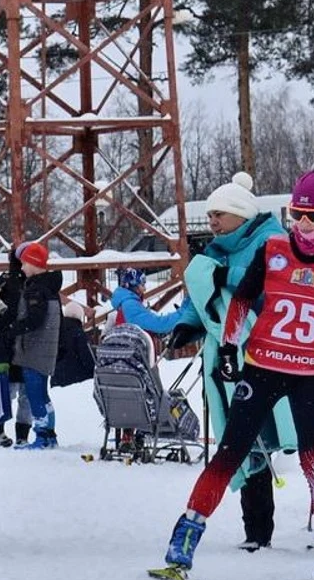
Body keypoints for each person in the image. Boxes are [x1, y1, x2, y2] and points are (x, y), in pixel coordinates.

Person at [160, 167, 314, 580]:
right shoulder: (274, 249)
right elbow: (241, 300)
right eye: (297, 214)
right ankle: (185, 536)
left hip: (313, 372)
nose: (303, 224)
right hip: (263, 366)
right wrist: (227, 346)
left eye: (313, 216)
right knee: (230, 452)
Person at [115, 178, 293, 550]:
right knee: (242, 443)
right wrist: (186, 326)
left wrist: (228, 290)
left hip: (274, 355)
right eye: (209, 214)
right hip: (227, 361)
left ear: (240, 213)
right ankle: (257, 532)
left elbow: (272, 291)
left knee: (307, 437)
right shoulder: (214, 252)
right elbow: (202, 301)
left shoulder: (271, 242)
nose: (211, 221)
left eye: (219, 214)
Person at [9, 242, 64, 449]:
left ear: (32, 263)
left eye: (24, 263)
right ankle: (49, 434)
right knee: (42, 393)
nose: (21, 268)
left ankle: (42, 435)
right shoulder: (50, 287)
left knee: (34, 394)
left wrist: (13, 328)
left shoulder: (36, 289)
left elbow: (34, 320)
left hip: (34, 350)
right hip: (46, 349)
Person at [0, 248, 29, 446]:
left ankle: (1, 433)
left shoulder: (5, 281)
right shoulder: (13, 283)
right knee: (18, 392)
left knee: (9, 392)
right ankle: (13, 434)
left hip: (8, 344)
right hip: (14, 344)